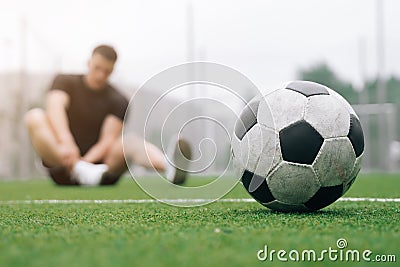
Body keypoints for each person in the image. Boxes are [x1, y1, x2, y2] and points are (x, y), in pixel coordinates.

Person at [24, 44, 191, 186]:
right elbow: (54, 108)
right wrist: (67, 145)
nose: (100, 75)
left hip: (101, 172)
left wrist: (86, 163)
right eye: (97, 68)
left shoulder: (118, 100)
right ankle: (77, 169)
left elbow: (107, 141)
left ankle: (169, 166)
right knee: (34, 116)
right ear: (89, 63)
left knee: (130, 141)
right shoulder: (64, 81)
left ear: (112, 70)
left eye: (107, 71)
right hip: (62, 166)